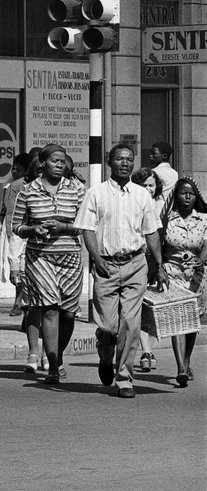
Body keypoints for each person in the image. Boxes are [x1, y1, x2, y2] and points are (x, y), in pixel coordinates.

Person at [75, 144, 166, 398]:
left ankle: (124, 378)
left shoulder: (142, 195)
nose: (124, 163)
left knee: (130, 323)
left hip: (135, 264)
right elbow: (87, 229)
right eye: (119, 159)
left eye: (128, 159)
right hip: (105, 265)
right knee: (107, 327)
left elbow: (151, 232)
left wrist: (158, 266)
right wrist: (95, 259)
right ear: (109, 162)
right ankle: (105, 358)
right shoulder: (96, 194)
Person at [11, 144, 87, 385]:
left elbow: (88, 223)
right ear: (43, 163)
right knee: (50, 308)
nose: (60, 164)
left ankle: (58, 355)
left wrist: (65, 227)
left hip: (71, 257)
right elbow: (16, 226)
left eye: (63, 161)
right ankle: (53, 365)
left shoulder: (77, 189)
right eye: (55, 160)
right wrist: (33, 229)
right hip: (40, 256)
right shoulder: (28, 191)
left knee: (68, 312)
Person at [160, 177, 207, 387]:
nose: (187, 197)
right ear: (176, 196)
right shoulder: (166, 219)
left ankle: (187, 360)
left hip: (197, 277)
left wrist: (201, 260)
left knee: (192, 322)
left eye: (191, 193)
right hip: (172, 273)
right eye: (182, 193)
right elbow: (157, 245)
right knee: (177, 320)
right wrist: (158, 268)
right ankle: (180, 367)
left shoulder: (204, 220)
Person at [131, 168, 167, 373]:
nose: (148, 189)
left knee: (152, 308)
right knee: (139, 307)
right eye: (144, 185)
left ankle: (148, 350)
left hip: (157, 261)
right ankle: (144, 351)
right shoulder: (133, 203)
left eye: (151, 185)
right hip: (137, 259)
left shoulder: (162, 206)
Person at [0, 153, 31, 316]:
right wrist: (5, 230)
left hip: (30, 231)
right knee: (18, 268)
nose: (14, 172)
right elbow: (8, 210)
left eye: (18, 169)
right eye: (13, 169)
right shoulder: (14, 186)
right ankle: (19, 303)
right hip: (18, 231)